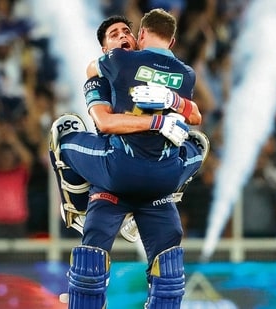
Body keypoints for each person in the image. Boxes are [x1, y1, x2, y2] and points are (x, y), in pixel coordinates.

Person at [50, 10, 208, 309]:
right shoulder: (180, 73)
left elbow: (106, 123)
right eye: (114, 34)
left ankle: (82, 206)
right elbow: (105, 122)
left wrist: (172, 105)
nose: (123, 35)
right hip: (155, 177)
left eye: (127, 31)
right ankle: (85, 206)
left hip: (119, 172)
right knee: (168, 265)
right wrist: (159, 122)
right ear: (104, 48)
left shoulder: (124, 64)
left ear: (140, 37)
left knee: (65, 133)